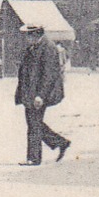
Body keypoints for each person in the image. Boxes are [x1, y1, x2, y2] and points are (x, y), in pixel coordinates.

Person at [14, 23, 69, 165]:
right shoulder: (35, 47)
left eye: (29, 35)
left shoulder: (48, 48)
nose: (27, 38)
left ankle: (34, 158)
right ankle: (60, 142)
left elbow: (49, 75)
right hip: (31, 92)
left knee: (34, 124)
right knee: (34, 123)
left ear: (36, 34)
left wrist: (41, 96)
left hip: (39, 93)